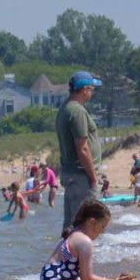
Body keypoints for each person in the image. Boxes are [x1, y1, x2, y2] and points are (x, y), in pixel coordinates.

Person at [37, 200, 137, 280]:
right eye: (102, 227)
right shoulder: (84, 241)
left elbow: (83, 277)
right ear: (92, 222)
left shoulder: (74, 232)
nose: (102, 232)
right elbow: (88, 279)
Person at [57, 71, 102, 230]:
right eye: (92, 88)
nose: (93, 92)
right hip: (81, 176)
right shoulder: (76, 111)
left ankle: (66, 255)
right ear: (84, 89)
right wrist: (94, 178)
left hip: (73, 176)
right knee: (84, 228)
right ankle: (73, 256)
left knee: (71, 227)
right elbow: (82, 148)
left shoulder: (66, 108)